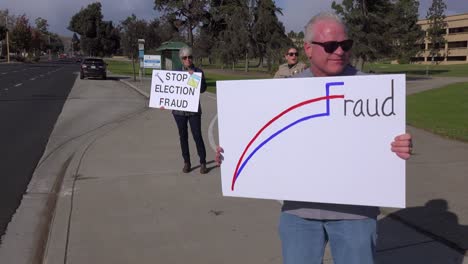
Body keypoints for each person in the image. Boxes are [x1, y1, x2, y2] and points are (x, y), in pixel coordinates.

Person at [215, 12, 413, 264]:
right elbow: (260, 142)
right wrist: (230, 154)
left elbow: (389, 143)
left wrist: (401, 145)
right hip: (299, 213)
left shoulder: (374, 89)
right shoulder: (283, 91)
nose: (340, 51)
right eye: (331, 46)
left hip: (356, 215)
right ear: (308, 49)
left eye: (346, 45)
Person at [172, 46, 208, 174]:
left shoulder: (198, 71)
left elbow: (203, 88)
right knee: (183, 136)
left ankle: (203, 162)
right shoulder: (176, 73)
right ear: (181, 59)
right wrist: (163, 101)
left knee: (197, 135)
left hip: (194, 111)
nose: (188, 60)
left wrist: (193, 77)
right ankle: (186, 162)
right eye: (185, 57)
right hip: (179, 112)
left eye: (190, 57)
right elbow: (170, 91)